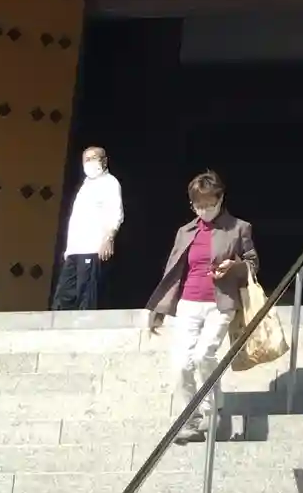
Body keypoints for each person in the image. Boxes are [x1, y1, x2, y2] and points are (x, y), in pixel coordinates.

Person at [145, 170, 258, 442]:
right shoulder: (185, 232)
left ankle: (212, 410)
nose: (204, 210)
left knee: (203, 355)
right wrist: (159, 310)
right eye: (198, 205)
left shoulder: (239, 228)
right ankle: (191, 419)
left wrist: (235, 266)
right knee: (181, 363)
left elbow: (252, 264)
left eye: (210, 204)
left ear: (221, 199)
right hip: (188, 303)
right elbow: (172, 273)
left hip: (221, 303)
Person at [52, 146, 122, 313]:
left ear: (104, 161)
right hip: (74, 251)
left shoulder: (110, 183)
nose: (90, 162)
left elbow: (116, 213)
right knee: (63, 297)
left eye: (94, 158)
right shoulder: (86, 185)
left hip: (91, 249)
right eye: (87, 159)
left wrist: (108, 238)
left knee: (86, 297)